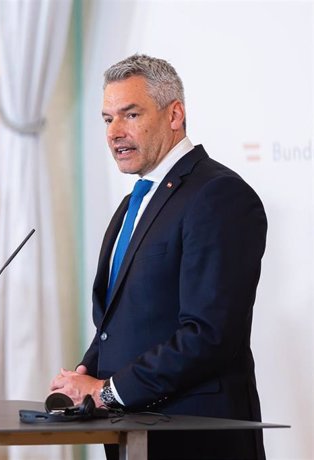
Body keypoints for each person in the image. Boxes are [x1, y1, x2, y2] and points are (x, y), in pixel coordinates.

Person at [50, 54, 267, 459]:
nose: (115, 132)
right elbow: (121, 323)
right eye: (106, 119)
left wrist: (109, 391)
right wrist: (84, 377)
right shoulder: (139, 200)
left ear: (175, 115)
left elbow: (209, 334)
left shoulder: (217, 195)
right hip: (134, 436)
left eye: (130, 114)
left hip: (196, 438)